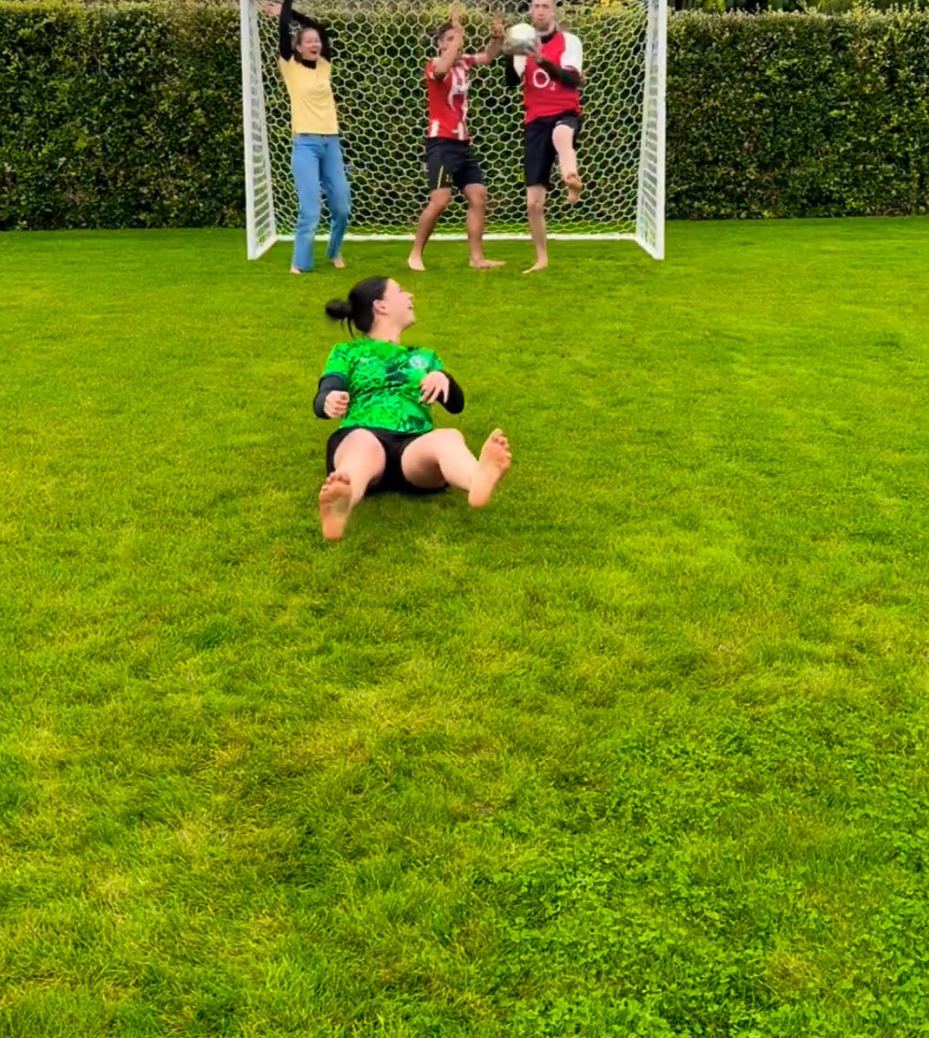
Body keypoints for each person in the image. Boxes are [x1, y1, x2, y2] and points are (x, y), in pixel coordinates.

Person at [314, 276, 512, 541]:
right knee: (363, 445)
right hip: (364, 433)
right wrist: (328, 400)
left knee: (448, 437)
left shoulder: (424, 356)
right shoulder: (348, 352)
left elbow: (456, 404)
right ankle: (341, 502)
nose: (410, 296)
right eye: (400, 291)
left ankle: (477, 478)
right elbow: (326, 392)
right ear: (381, 306)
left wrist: (444, 379)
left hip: (413, 449)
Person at [408, 7, 506, 272]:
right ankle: (415, 254)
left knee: (478, 196)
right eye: (449, 39)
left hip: (462, 143)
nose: (456, 43)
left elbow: (489, 55)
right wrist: (457, 34)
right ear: (440, 45)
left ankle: (477, 259)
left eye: (457, 38)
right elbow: (442, 71)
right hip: (441, 143)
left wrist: (497, 37)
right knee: (440, 201)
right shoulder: (434, 65)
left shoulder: (465, 62)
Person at [261, 0, 350, 273]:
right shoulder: (290, 66)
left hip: (331, 143)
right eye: (308, 41)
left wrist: (291, 11)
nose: (315, 44)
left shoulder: (324, 65)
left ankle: (334, 251)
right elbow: (284, 30)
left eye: (316, 41)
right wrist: (285, 10)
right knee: (310, 208)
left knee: (342, 208)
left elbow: (319, 27)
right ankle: (300, 263)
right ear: (298, 47)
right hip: (305, 145)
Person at [505, 0, 584, 273]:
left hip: (565, 112)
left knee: (562, 134)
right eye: (536, 6)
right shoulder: (523, 41)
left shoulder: (569, 41)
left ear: (553, 11)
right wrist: (509, 51)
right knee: (533, 202)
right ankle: (541, 259)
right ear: (530, 11)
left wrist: (542, 60)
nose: (540, 11)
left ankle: (571, 177)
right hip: (535, 122)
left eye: (545, 6)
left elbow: (572, 80)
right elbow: (512, 81)